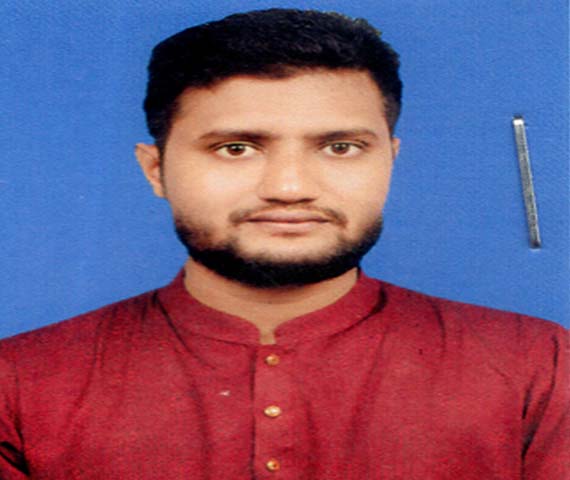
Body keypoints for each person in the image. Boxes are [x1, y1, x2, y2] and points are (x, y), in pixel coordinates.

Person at [0, 8, 567, 480]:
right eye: (236, 148)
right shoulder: (19, 381)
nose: (290, 188)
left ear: (390, 161)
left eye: (340, 147)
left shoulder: (535, 365)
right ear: (156, 170)